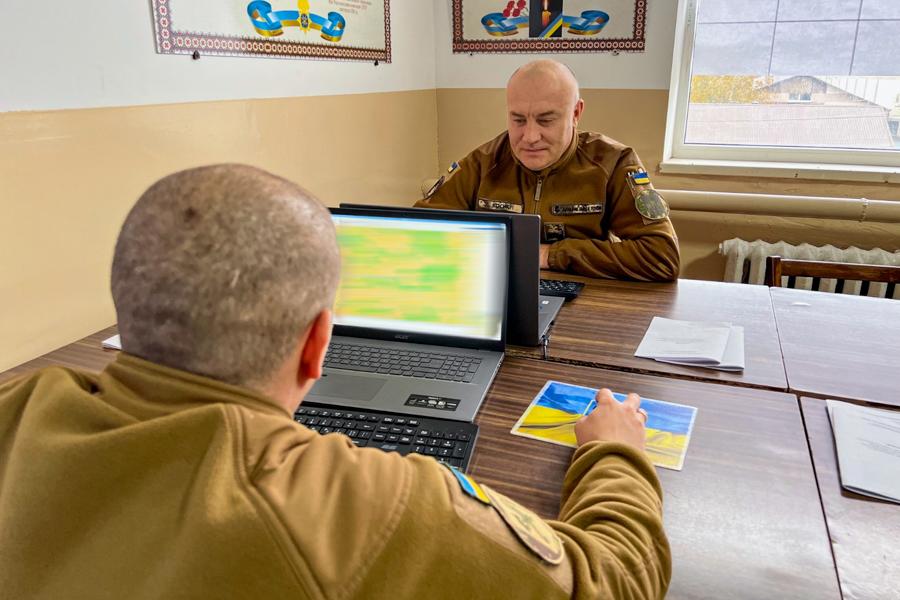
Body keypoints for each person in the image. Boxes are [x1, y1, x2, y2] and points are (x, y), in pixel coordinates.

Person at [0, 164, 671, 598]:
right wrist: (614, 452)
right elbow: (614, 581)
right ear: (319, 344)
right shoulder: (372, 505)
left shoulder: (20, 406)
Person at [416, 59, 680, 281]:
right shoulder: (483, 162)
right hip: (499, 294)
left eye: (546, 120)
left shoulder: (613, 163)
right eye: (518, 120)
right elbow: (417, 234)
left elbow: (661, 256)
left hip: (585, 301)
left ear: (576, 113)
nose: (530, 137)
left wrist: (551, 255)